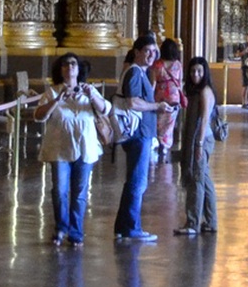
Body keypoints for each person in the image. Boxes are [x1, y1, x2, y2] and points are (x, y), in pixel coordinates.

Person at [35, 54, 108, 248]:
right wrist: (58, 100)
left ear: (78, 69)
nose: (69, 67)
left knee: (79, 193)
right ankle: (61, 227)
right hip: (59, 150)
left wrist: (92, 95)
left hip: (85, 149)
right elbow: (38, 115)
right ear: (60, 70)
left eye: (73, 64)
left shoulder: (88, 90)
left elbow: (105, 109)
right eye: (65, 64)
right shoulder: (52, 92)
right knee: (59, 190)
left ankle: (76, 232)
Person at [113, 39, 160, 243]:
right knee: (138, 181)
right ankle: (132, 227)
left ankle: (123, 226)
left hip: (143, 133)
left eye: (154, 51)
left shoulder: (141, 72)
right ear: (137, 52)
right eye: (147, 51)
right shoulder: (134, 72)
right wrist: (157, 106)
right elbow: (133, 102)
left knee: (135, 180)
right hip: (138, 134)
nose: (151, 55)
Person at [174, 56, 221, 237]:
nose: (196, 74)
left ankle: (193, 222)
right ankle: (211, 221)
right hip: (197, 139)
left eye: (199, 71)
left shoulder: (205, 92)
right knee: (204, 179)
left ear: (205, 72)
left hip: (201, 139)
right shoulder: (194, 91)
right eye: (193, 71)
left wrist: (199, 145)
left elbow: (203, 121)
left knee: (196, 180)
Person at [153, 36, 186, 162]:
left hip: (160, 96)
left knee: (159, 122)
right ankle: (165, 144)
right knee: (169, 124)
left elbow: (153, 83)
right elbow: (180, 82)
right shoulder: (178, 65)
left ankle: (159, 140)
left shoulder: (158, 65)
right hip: (174, 97)